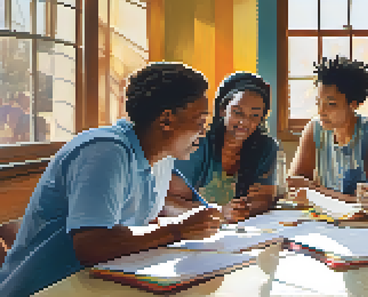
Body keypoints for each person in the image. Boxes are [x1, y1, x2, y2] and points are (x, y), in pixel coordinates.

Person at [0, 62, 224, 297]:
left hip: (99, 285)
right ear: (166, 120)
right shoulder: (105, 152)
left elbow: (132, 229)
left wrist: (188, 225)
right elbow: (93, 245)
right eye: (200, 122)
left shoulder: (162, 158)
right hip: (47, 290)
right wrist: (178, 230)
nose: (203, 133)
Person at [164, 72, 280, 222]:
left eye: (255, 116)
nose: (245, 122)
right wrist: (219, 211)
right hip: (192, 231)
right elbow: (167, 203)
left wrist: (244, 209)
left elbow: (264, 199)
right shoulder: (196, 145)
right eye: (238, 113)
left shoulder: (267, 147)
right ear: (222, 110)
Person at [288, 56, 368, 201]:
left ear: (354, 104)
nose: (321, 111)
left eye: (331, 104)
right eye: (318, 103)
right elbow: (294, 186)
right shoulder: (315, 129)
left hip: (365, 222)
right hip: (324, 218)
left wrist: (314, 190)